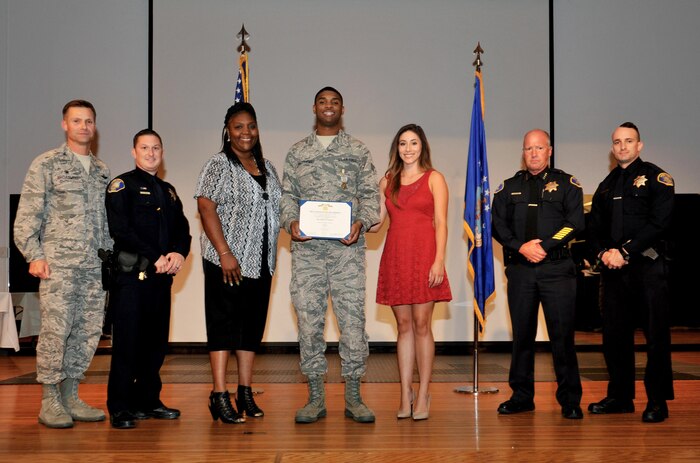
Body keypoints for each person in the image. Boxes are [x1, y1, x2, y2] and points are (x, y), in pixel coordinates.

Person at [280, 86, 380, 423]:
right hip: (307, 253)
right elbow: (286, 195)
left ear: (342, 108)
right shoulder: (297, 152)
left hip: (346, 253)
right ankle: (315, 397)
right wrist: (290, 221)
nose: (328, 106)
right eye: (323, 102)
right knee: (309, 322)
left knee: (353, 324)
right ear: (314, 108)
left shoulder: (357, 150)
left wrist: (362, 221)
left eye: (334, 102)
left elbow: (370, 195)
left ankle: (353, 395)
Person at [14, 99, 112, 428]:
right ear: (64, 125)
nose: (83, 126)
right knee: (56, 332)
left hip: (93, 268)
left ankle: (71, 394)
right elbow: (27, 215)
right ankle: (49, 400)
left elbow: (107, 224)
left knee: (87, 333)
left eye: (88, 121)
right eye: (77, 120)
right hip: (58, 266)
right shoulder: (46, 164)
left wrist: (111, 261)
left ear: (94, 126)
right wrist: (34, 255)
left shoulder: (102, 172)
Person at [195, 102, 282, 424]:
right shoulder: (218, 165)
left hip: (261, 262)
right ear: (227, 131)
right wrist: (224, 252)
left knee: (250, 328)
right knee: (223, 326)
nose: (246, 133)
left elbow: (279, 210)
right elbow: (206, 208)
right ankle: (219, 394)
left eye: (251, 126)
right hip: (227, 261)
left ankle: (244, 391)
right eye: (238, 127)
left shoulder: (268, 167)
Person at [491, 129, 584, 419]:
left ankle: (569, 400)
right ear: (523, 152)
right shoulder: (508, 187)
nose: (533, 153)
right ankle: (521, 396)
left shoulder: (567, 184)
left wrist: (544, 246)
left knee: (562, 337)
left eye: (539, 148)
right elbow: (497, 226)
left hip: (557, 269)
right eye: (528, 148)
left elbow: (576, 223)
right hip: (521, 271)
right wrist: (521, 247)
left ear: (549, 150)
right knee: (522, 337)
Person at [587, 122, 675, 423]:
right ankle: (620, 397)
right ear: (612, 148)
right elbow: (593, 230)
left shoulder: (657, 178)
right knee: (614, 337)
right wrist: (603, 254)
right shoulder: (606, 185)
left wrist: (625, 252)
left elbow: (659, 223)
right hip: (614, 272)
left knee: (655, 338)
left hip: (648, 269)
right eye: (617, 142)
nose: (622, 146)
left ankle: (657, 401)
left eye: (628, 141)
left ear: (639, 145)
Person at [105, 129, 191, 429]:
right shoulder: (121, 185)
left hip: (160, 279)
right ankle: (121, 406)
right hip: (132, 278)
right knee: (128, 343)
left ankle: (148, 400)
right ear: (134, 152)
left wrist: (179, 253)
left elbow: (182, 228)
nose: (151, 153)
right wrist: (155, 255)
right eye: (145, 147)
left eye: (156, 148)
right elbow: (121, 229)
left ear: (162, 152)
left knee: (155, 344)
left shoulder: (167, 190)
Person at [368, 124, 451, 421]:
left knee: (421, 325)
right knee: (403, 327)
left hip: (426, 256)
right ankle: (405, 393)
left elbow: (441, 222)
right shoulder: (387, 181)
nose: (408, 148)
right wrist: (349, 224)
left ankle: (425, 391)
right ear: (397, 148)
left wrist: (439, 260)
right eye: (402, 143)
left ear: (422, 146)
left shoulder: (435, 178)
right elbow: (377, 224)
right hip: (396, 257)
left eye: (413, 143)